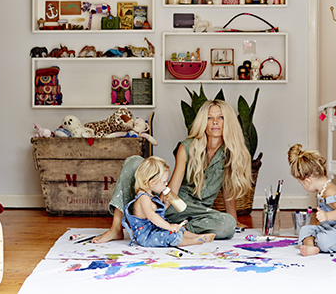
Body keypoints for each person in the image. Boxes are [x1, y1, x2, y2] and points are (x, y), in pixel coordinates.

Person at [93, 99, 252, 243]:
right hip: (173, 203)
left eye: (221, 117)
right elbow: (173, 186)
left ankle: (171, 229)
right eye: (209, 118)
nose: (215, 122)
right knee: (134, 162)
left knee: (228, 225)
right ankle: (116, 229)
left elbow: (228, 191)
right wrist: (160, 207)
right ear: (203, 122)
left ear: (228, 121)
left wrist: (234, 220)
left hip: (198, 213)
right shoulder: (187, 147)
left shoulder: (230, 153)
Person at [288, 144, 336, 256]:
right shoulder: (322, 190)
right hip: (335, 228)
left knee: (323, 241)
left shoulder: (330, 191)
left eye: (302, 184)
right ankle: (310, 247)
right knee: (305, 230)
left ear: (308, 181)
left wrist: (327, 216)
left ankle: (315, 243)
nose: (303, 186)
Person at [122, 156, 214, 247]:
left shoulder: (150, 196)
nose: (166, 184)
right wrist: (169, 227)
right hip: (146, 236)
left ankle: (199, 236)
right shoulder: (143, 198)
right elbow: (151, 216)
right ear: (152, 182)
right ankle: (195, 241)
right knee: (170, 235)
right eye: (164, 181)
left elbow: (156, 214)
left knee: (179, 229)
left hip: (154, 229)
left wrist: (165, 205)